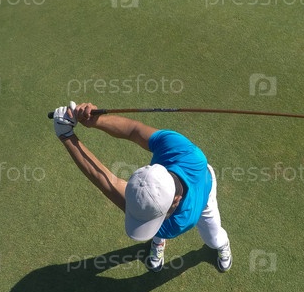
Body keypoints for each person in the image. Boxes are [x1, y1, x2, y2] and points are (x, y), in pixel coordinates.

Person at [51, 101, 232, 272]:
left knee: (213, 238)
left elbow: (104, 181)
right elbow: (134, 131)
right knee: (154, 220)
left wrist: (67, 136)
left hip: (205, 195)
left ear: (176, 201)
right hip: (175, 201)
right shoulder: (176, 147)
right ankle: (158, 238)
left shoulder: (182, 220)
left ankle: (222, 244)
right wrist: (96, 121)